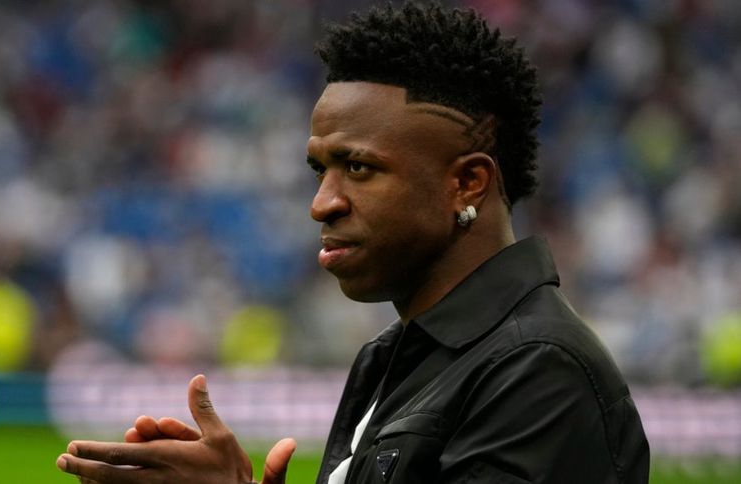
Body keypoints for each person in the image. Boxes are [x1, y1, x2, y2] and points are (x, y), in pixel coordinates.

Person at [56, 2, 650, 482]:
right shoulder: (395, 358)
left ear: (467, 182)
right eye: (321, 170)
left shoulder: (538, 370)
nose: (322, 203)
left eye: (358, 168)